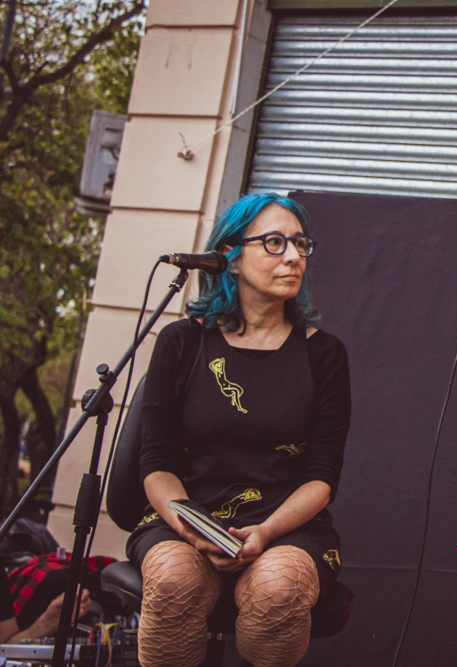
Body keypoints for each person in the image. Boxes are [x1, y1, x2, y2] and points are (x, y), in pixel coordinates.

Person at [127, 192, 351, 667]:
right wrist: (192, 528)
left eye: (300, 243)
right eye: (274, 242)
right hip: (187, 518)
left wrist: (265, 532)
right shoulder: (181, 342)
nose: (293, 256)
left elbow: (322, 477)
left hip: (286, 526)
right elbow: (157, 465)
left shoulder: (324, 355)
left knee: (277, 588)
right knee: (173, 581)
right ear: (229, 256)